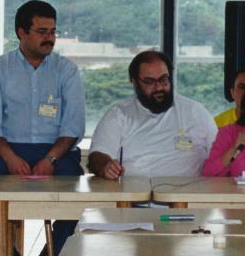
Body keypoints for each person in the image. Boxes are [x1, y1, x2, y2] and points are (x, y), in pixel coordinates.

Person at [0, 0, 85, 256]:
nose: (49, 38)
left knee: (82, 194)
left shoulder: (66, 70)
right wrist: (9, 157)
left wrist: (51, 158)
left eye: (53, 32)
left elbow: (73, 126)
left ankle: (53, 254)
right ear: (21, 32)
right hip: (7, 150)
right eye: (42, 31)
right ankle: (7, 254)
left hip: (57, 151)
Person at [89, 50, 217, 179]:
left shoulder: (195, 111)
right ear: (134, 81)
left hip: (190, 195)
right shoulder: (118, 115)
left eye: (163, 79)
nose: (158, 87)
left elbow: (220, 156)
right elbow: (97, 156)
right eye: (149, 82)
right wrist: (106, 166)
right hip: (133, 196)